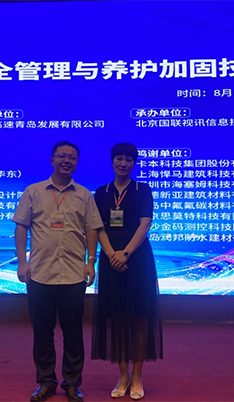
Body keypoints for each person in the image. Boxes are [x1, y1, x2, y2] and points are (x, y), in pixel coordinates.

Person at [13, 141, 103, 402]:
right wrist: (22, 262)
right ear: (52, 159)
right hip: (40, 273)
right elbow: (21, 226)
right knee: (42, 333)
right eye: (62, 156)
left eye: (72, 157)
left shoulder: (84, 194)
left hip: (73, 274)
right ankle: (46, 382)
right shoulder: (34, 191)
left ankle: (72, 383)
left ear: (77, 162)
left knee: (73, 333)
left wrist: (91, 261)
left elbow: (92, 229)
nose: (67, 160)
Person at [91, 143, 163, 400]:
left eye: (129, 159)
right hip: (111, 259)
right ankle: (123, 376)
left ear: (134, 163)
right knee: (117, 317)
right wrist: (112, 254)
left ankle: (137, 376)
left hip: (138, 259)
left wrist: (125, 254)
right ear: (112, 161)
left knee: (139, 317)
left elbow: (145, 224)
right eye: (119, 158)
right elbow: (98, 227)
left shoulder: (142, 190)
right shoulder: (102, 192)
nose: (123, 163)